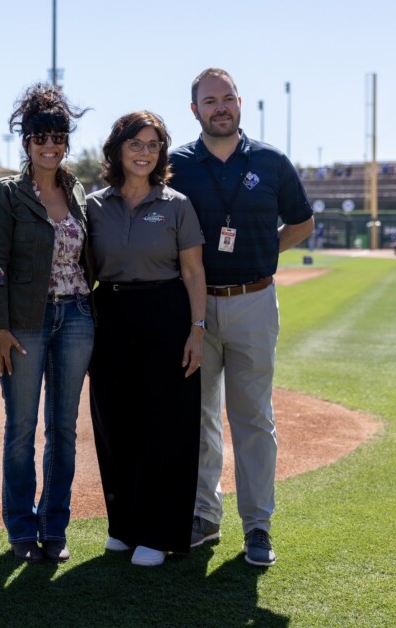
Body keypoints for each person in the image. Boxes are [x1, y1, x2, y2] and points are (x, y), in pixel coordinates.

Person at [169, 68, 314, 567]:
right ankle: (204, 517)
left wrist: (264, 251)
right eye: (210, 101)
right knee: (201, 416)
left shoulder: (271, 161)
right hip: (196, 306)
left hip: (254, 298)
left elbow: (303, 221)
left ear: (239, 102)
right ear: (195, 111)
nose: (220, 107)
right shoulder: (177, 164)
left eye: (227, 98)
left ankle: (257, 526)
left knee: (253, 417)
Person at [87, 111, 206, 567]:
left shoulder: (177, 203)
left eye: (153, 144)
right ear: (117, 149)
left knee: (165, 425)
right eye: (135, 143)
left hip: (166, 313)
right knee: (116, 423)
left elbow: (194, 270)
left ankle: (161, 533)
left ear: (162, 152)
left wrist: (197, 330)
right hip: (111, 315)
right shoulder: (95, 205)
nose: (144, 152)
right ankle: (124, 525)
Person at [0, 84, 94, 564]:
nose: (49, 146)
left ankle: (55, 527)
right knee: (21, 428)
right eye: (40, 138)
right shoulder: (7, 194)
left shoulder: (76, 190)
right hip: (26, 323)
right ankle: (20, 529)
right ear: (25, 142)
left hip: (76, 317)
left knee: (64, 429)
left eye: (57, 137)